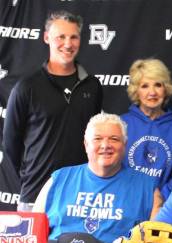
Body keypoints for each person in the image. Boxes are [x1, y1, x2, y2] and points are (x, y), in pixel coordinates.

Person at [3, 10, 102, 211]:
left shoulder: (93, 86)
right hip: (35, 194)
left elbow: (95, 139)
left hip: (80, 196)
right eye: (61, 37)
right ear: (47, 37)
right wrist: (31, 174)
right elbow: (11, 144)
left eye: (74, 37)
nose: (68, 44)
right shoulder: (26, 87)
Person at [33, 113, 162, 243]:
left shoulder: (148, 188)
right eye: (97, 139)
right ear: (86, 144)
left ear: (125, 144)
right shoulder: (58, 180)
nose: (105, 145)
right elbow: (32, 233)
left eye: (114, 139)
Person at [121, 58, 172, 200]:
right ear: (136, 91)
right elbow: (111, 165)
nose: (152, 92)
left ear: (166, 89)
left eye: (158, 85)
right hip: (124, 200)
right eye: (145, 86)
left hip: (163, 206)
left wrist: (160, 197)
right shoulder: (121, 124)